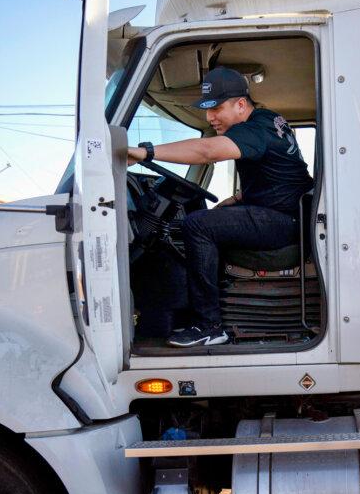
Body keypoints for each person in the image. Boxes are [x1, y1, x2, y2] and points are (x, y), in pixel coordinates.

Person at [127, 66, 313, 347]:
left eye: (216, 108)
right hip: (289, 215)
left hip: (284, 222)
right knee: (211, 220)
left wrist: (145, 153)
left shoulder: (254, 130)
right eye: (207, 109)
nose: (210, 117)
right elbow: (280, 177)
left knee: (197, 224)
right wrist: (237, 199)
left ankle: (208, 326)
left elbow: (207, 151)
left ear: (240, 105)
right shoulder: (267, 121)